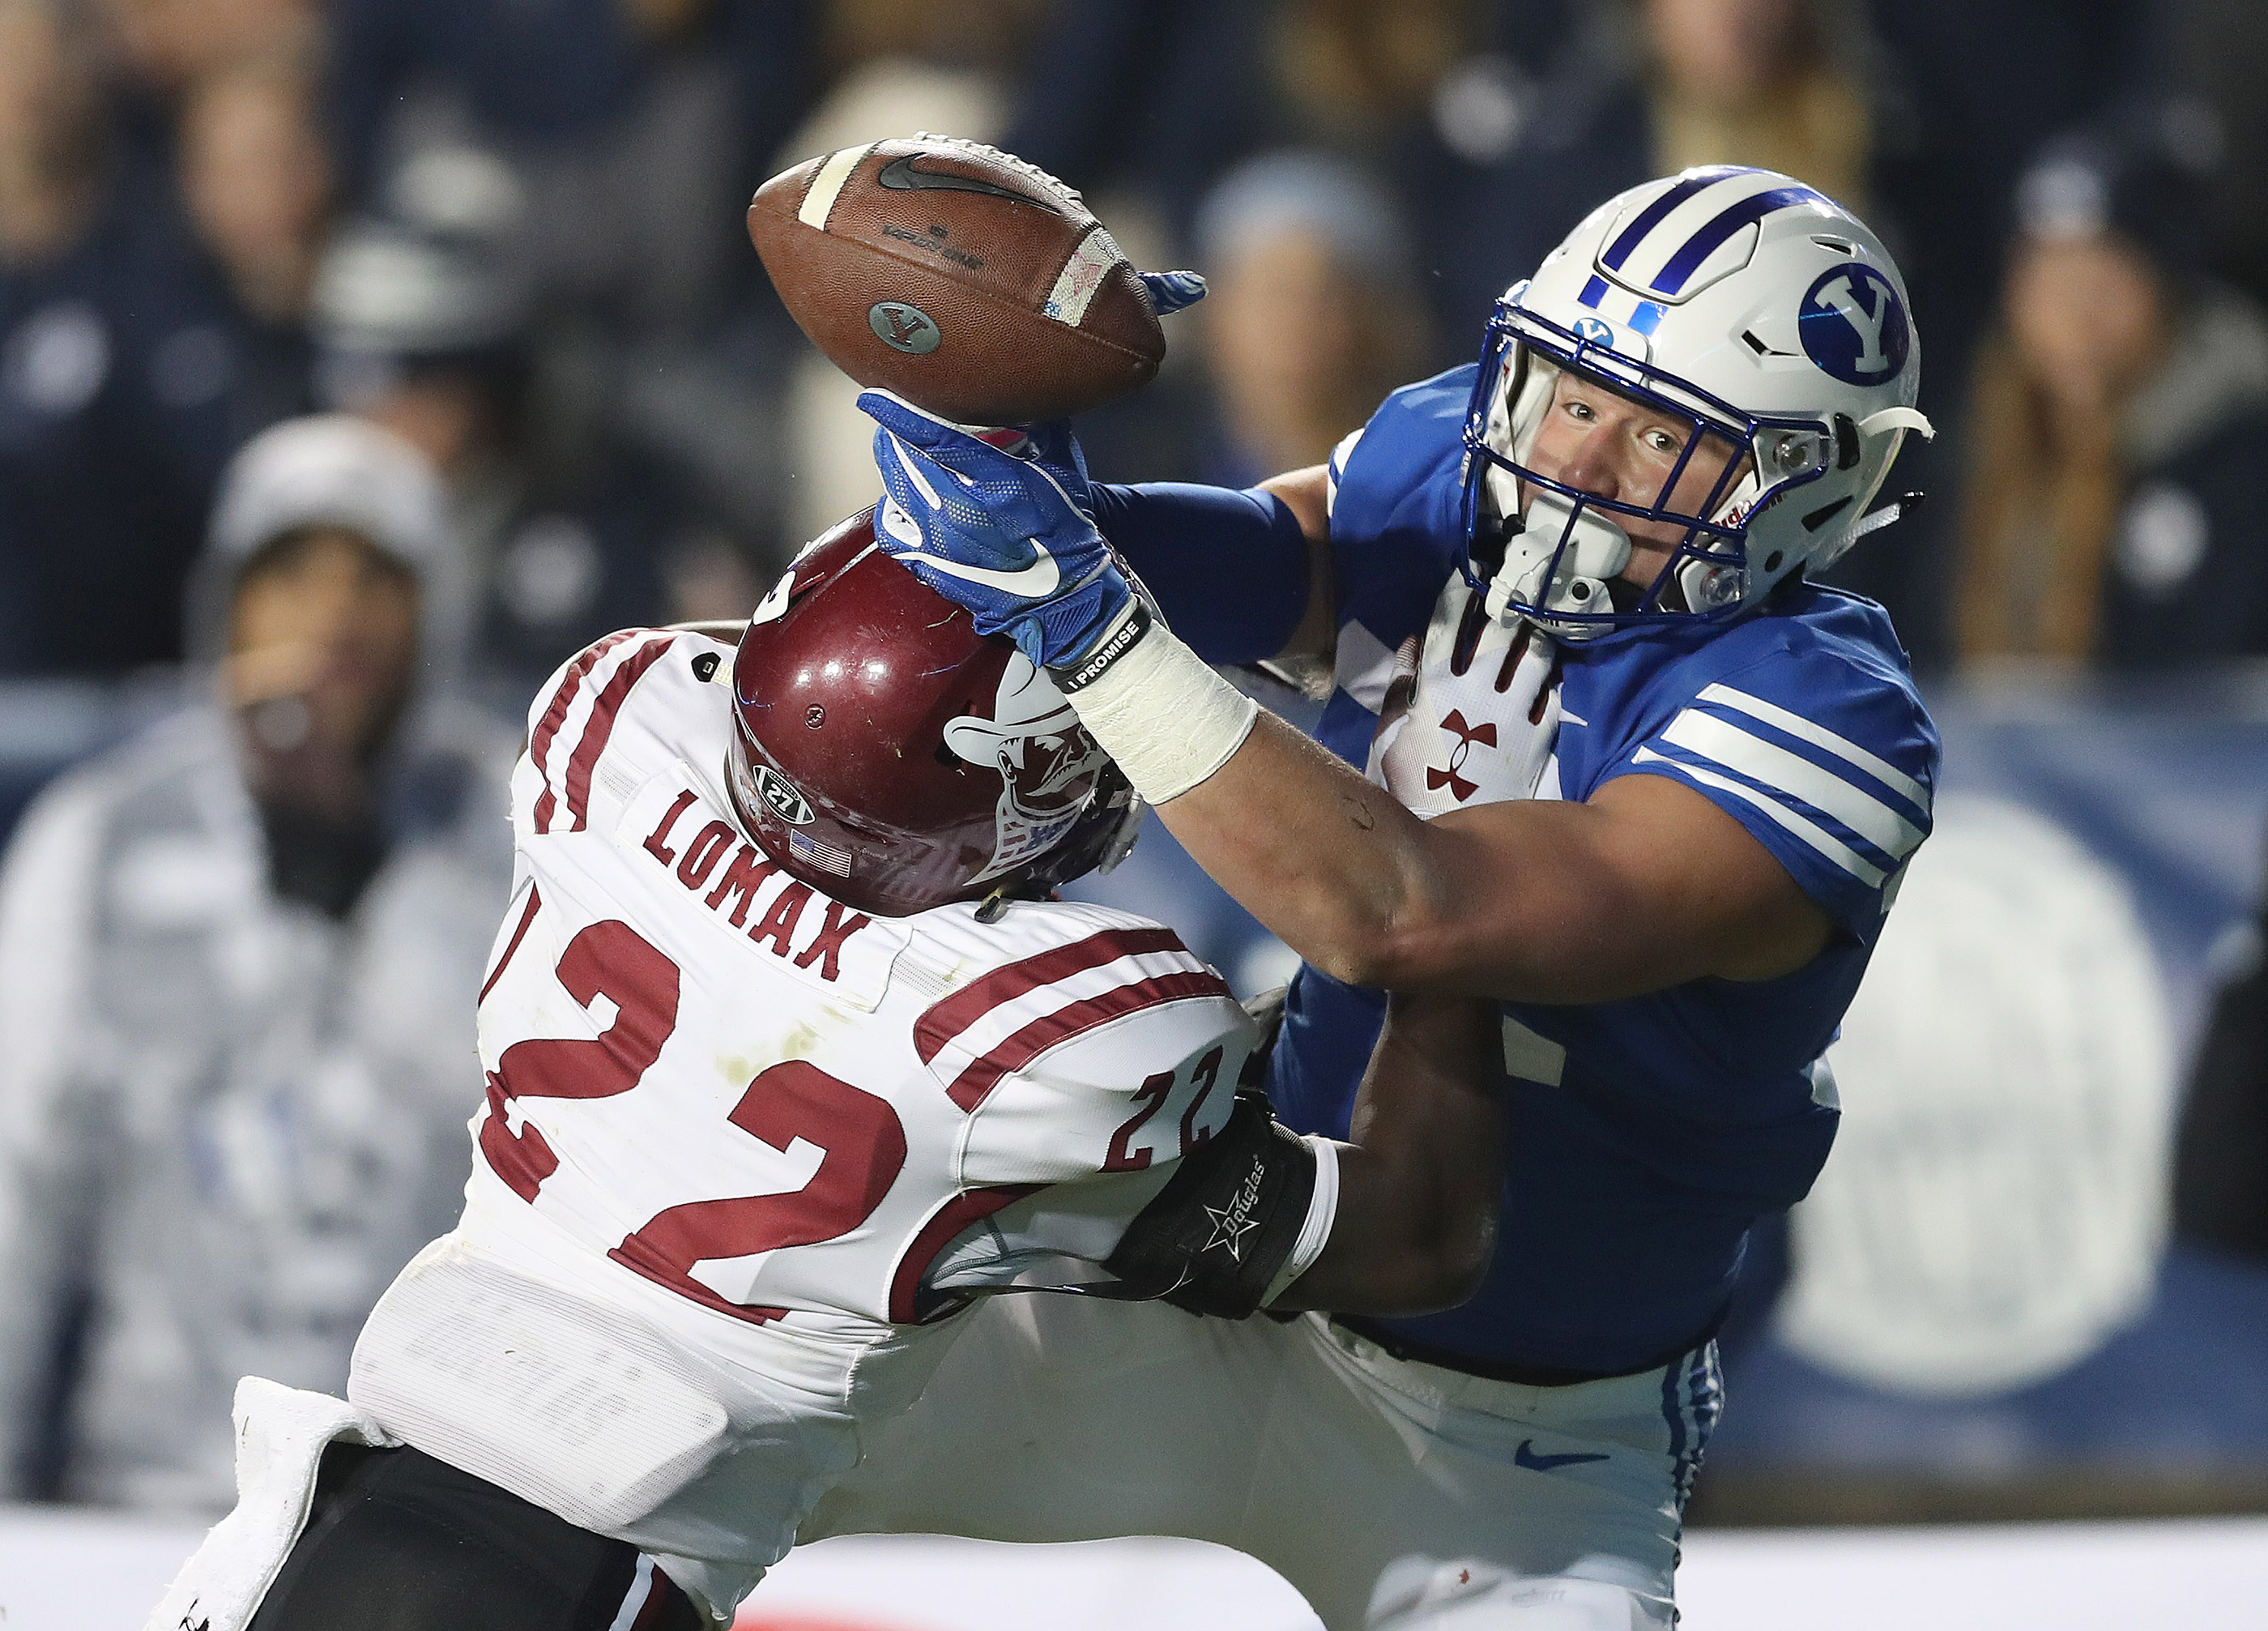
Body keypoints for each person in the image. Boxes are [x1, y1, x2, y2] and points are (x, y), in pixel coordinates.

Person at [808, 164, 1941, 1629]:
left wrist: (1092, 618)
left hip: (1515, 1439)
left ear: (1807, 486)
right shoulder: (1472, 456)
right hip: (1216, 1284)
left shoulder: (1825, 718)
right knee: (734, 1388)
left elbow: (1403, 913)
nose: (1577, 458)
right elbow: (1285, 557)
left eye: (1663, 436)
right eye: (1572, 392)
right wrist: (1050, 485)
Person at [145, 509, 1509, 1631]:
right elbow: (1419, 1235)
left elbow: (804, 669)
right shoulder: (1046, 1031)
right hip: (585, 1584)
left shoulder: (608, 724)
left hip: (321, 1520)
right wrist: (1457, 865)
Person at [0, 415, 513, 1513]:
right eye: (290, 571)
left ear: (436, 611)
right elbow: (16, 1191)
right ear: (225, 601)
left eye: (374, 577)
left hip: (438, 1512)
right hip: (141, 1504)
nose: (333, 612)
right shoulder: (100, 839)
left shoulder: (521, 841)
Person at [1952, 109, 2268, 668]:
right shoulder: (1968, 450)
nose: (2076, 319)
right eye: (2051, 281)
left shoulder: (2241, 461)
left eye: (2103, 283)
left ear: (2166, 290)